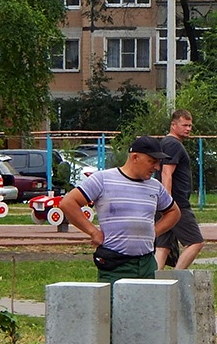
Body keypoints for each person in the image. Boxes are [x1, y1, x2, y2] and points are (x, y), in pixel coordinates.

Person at [59, 136, 181, 284]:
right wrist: (93, 232)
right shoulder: (103, 179)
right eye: (152, 161)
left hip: (146, 262)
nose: (156, 167)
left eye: (159, 163)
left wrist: (153, 232)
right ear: (135, 157)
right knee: (113, 305)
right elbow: (68, 203)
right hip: (115, 264)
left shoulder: (155, 186)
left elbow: (174, 212)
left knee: (147, 306)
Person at [155, 109, 205, 270]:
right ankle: (177, 277)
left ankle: (152, 283)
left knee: (163, 247)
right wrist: (168, 203)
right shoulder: (173, 144)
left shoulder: (166, 143)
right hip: (176, 204)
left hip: (165, 203)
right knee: (195, 242)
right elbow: (166, 173)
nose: (188, 128)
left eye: (190, 125)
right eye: (184, 125)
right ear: (173, 125)